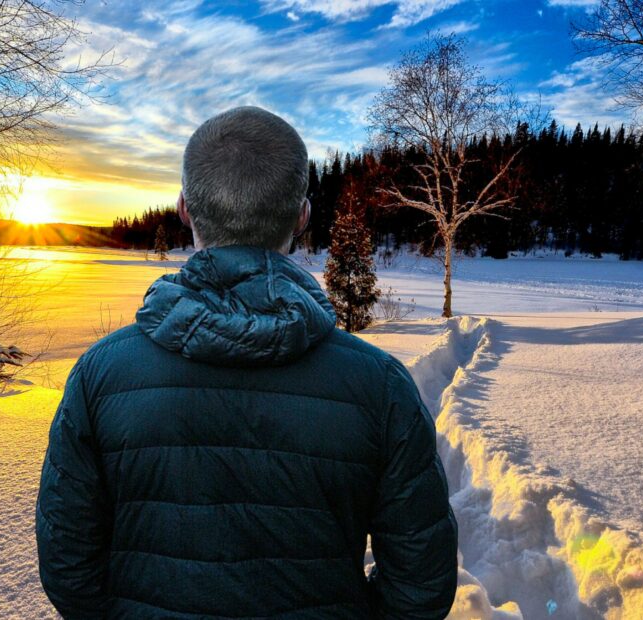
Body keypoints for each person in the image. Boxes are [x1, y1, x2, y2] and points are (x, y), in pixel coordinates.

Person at [35, 105, 458, 619]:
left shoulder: (100, 376)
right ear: (302, 217)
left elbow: (68, 565)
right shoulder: (380, 385)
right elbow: (422, 583)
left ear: (184, 209)